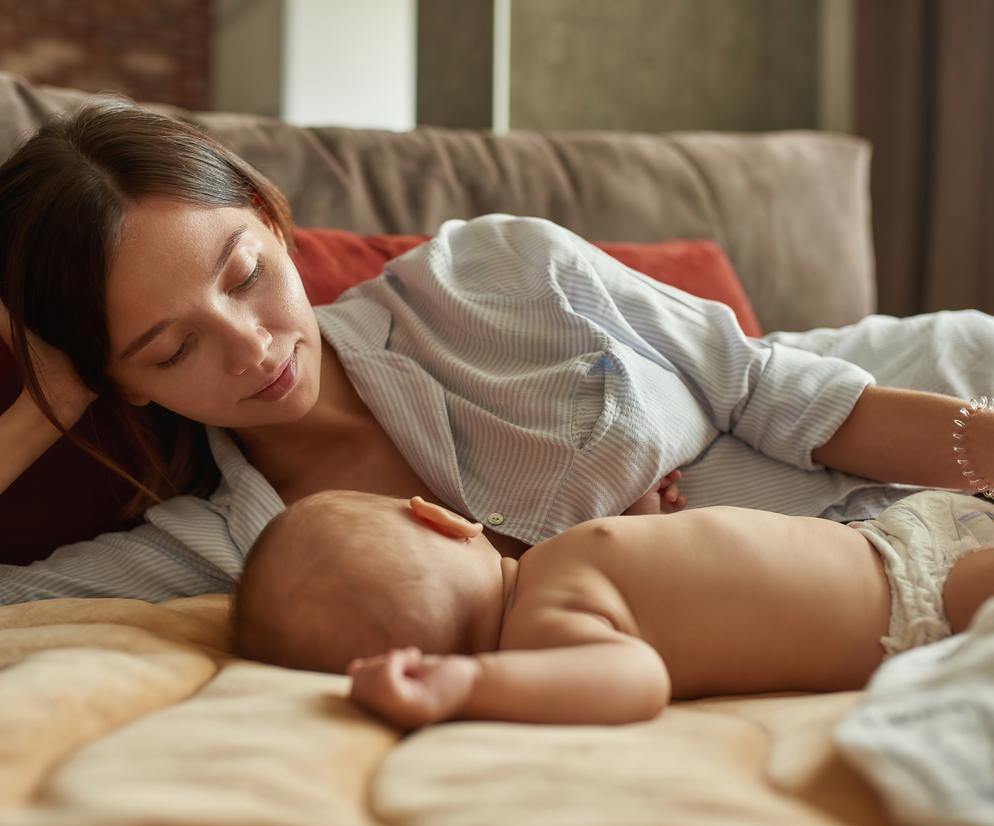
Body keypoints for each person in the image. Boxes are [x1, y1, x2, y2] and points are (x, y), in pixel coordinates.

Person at [2, 98, 994, 604]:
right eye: (170, 350)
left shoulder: (492, 271)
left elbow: (773, 389)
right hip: (880, 585)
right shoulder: (234, 549)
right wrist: (33, 409)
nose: (253, 345)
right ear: (116, 382)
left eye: (244, 272)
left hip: (937, 397)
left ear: (268, 216)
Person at [231, 489, 994, 728]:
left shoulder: (549, 574)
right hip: (910, 596)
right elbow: (636, 676)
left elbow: (673, 583)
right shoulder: (540, 629)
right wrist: (467, 688)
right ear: (439, 517)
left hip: (893, 535)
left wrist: (642, 513)